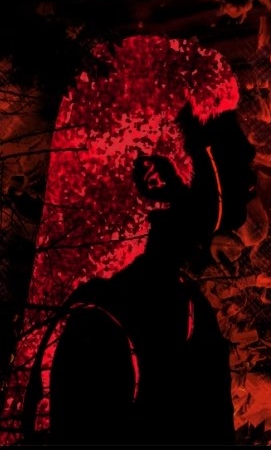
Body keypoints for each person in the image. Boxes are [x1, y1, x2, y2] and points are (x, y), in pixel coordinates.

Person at [24, 104, 257, 445]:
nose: (249, 156)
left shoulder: (193, 312)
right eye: (223, 146)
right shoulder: (102, 322)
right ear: (156, 176)